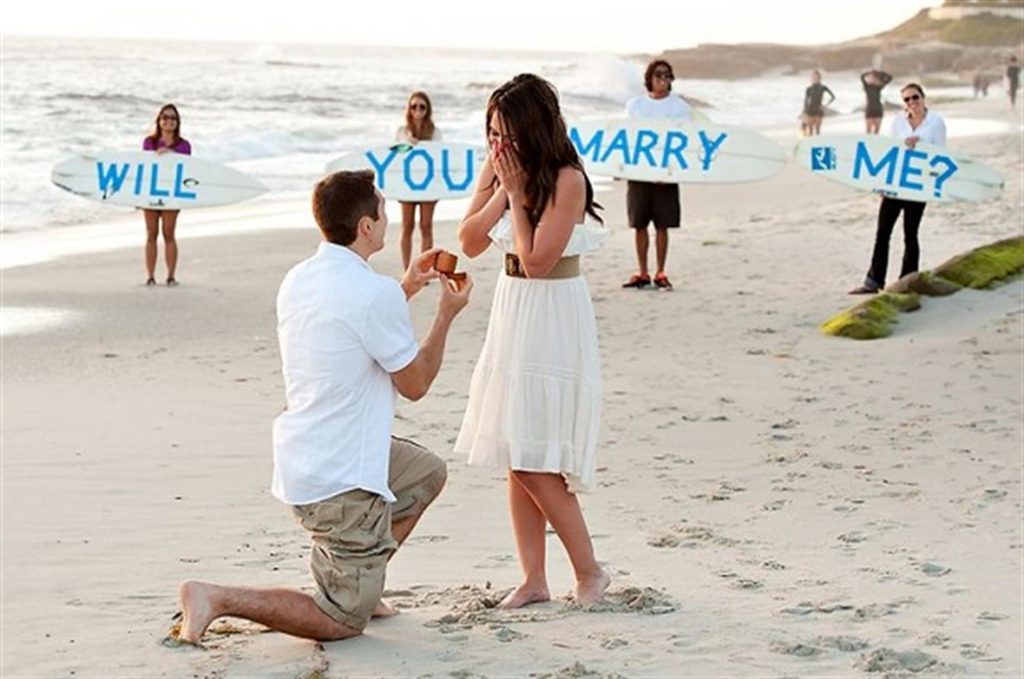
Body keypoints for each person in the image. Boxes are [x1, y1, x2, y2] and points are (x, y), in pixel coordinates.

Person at [176, 170, 473, 643]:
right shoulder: (371, 293)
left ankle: (364, 577)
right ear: (367, 227)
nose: (387, 214)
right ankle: (217, 597)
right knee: (340, 620)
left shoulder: (300, 278)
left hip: (307, 457)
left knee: (425, 473)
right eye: (382, 207)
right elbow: (415, 384)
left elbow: (352, 325)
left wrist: (409, 288)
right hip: (340, 479)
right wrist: (445, 315)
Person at [454, 74, 610, 609]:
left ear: (533, 126)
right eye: (492, 131)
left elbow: (539, 261)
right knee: (514, 448)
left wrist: (518, 196)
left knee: (534, 457)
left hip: (552, 312)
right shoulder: (498, 168)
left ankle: (590, 572)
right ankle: (534, 578)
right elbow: (470, 242)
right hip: (513, 309)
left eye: (506, 131)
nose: (498, 143)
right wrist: (500, 188)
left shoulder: (568, 180)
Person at [850, 84, 946, 295]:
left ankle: (908, 281)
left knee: (910, 234)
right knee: (882, 233)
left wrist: (919, 143)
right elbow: (891, 153)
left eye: (915, 97)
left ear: (923, 97)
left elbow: (940, 156)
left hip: (918, 185)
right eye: (907, 100)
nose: (912, 102)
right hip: (896, 184)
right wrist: (883, 184)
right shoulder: (898, 121)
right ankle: (873, 282)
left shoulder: (936, 122)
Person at [621, 59, 691, 290]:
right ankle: (642, 271)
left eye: (667, 75)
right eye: (658, 75)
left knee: (663, 224)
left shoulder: (680, 107)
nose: (663, 79)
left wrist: (669, 171)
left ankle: (661, 271)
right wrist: (619, 167)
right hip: (639, 173)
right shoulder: (635, 105)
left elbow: (683, 140)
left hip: (666, 175)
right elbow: (628, 138)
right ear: (649, 78)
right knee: (638, 223)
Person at [142, 103, 191, 286]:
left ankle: (171, 276)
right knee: (151, 233)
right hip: (150, 192)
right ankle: (150, 276)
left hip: (171, 193)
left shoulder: (184, 145)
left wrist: (170, 154)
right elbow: (144, 168)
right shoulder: (150, 142)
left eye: (173, 118)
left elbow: (186, 168)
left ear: (178, 122)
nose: (168, 121)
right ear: (159, 121)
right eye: (165, 117)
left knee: (169, 233)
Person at [396, 92, 442, 271]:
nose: (417, 110)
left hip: (428, 184)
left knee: (426, 226)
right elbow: (394, 157)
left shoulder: (435, 132)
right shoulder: (402, 131)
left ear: (427, 109)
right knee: (407, 226)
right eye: (414, 106)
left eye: (422, 106)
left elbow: (440, 157)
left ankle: (423, 268)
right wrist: (408, 144)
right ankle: (407, 269)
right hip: (407, 184)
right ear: (409, 108)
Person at [802, 70, 835, 137]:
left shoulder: (823, 87)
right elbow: (806, 101)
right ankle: (809, 145)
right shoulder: (809, 89)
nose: (815, 79)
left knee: (817, 131)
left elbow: (832, 97)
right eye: (813, 77)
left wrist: (825, 106)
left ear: (820, 78)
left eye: (817, 77)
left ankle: (817, 144)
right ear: (811, 78)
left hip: (818, 111)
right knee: (810, 132)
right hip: (810, 111)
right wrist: (804, 113)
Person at [861, 69, 893, 135]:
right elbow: (862, 77)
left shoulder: (878, 87)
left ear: (876, 79)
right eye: (870, 78)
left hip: (878, 110)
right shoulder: (867, 87)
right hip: (869, 110)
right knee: (868, 133)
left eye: (873, 78)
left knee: (876, 133)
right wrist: (869, 72)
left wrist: (881, 73)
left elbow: (890, 78)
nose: (871, 79)